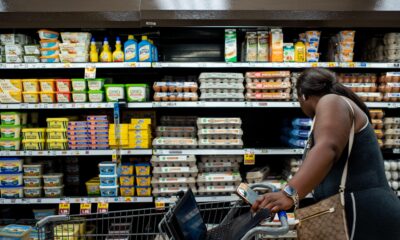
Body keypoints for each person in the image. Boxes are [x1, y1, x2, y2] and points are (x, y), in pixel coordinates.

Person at [251, 68, 400, 239]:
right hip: (359, 212)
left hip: (365, 213)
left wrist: (289, 193)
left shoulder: (331, 101)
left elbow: (328, 148)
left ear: (303, 95)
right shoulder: (333, 108)